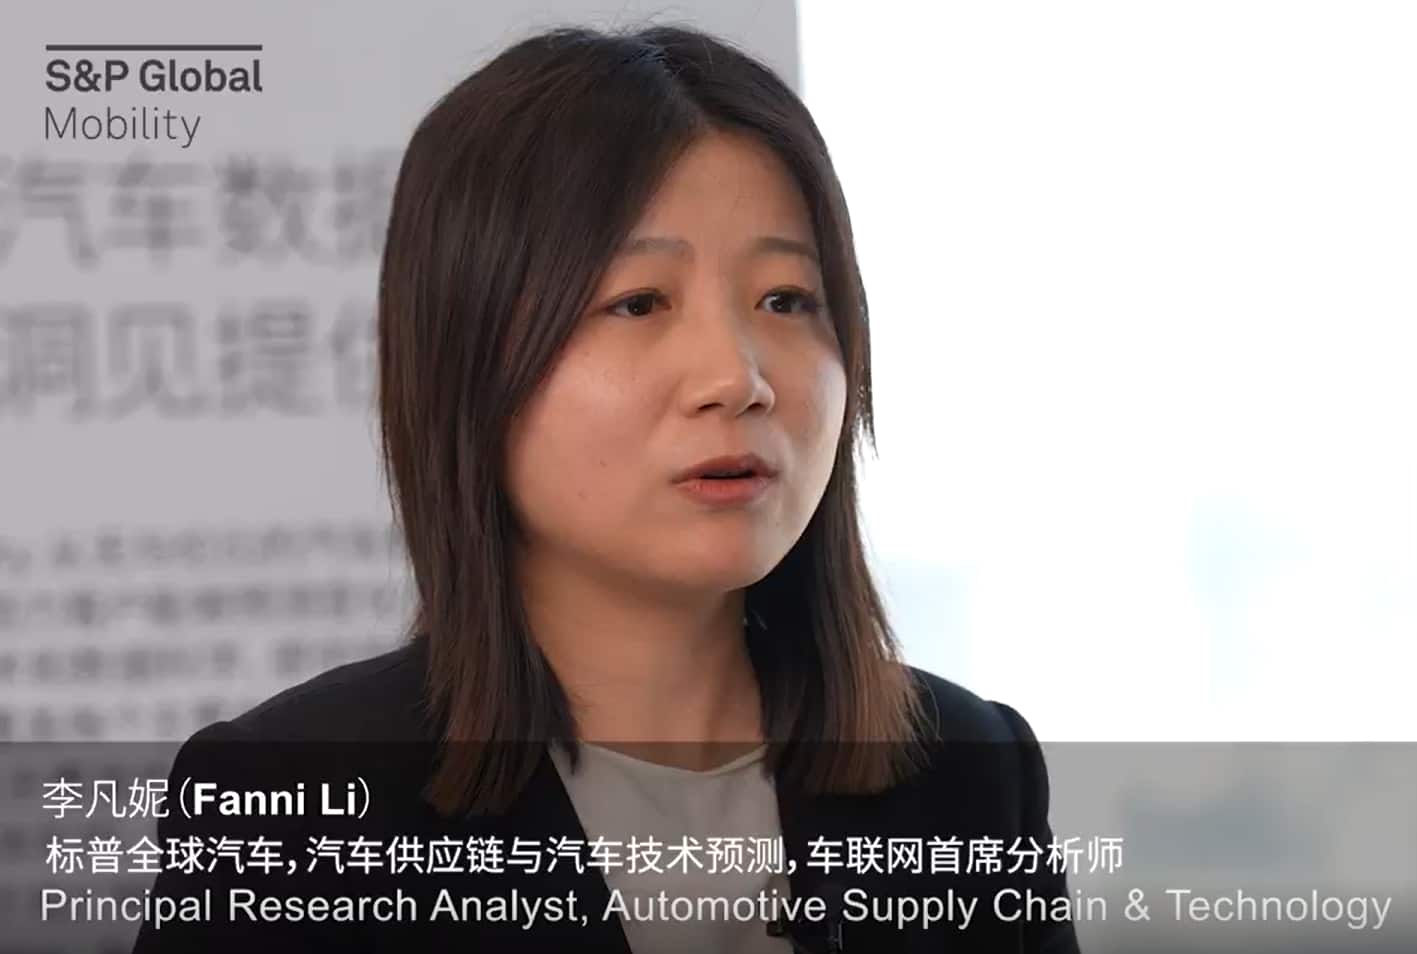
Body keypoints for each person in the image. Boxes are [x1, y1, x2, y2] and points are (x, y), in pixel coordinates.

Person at [131, 23, 1079, 954]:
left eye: (786, 300)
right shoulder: (299, 808)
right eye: (638, 302)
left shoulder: (968, 775)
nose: (737, 377)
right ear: (470, 363)